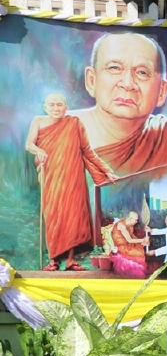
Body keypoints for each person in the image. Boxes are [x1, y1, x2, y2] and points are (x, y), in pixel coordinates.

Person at [74, 33, 167, 217]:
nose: (128, 84)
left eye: (142, 72)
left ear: (162, 91)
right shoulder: (58, 136)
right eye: (114, 68)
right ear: (91, 80)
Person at [25, 92, 116, 271]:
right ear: (45, 107)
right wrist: (38, 151)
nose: (55, 108)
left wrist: (107, 170)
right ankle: (54, 260)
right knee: (53, 217)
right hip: (50, 177)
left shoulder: (73, 124)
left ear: (66, 108)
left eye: (59, 105)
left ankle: (70, 260)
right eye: (51, 105)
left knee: (72, 217)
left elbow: (87, 151)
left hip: (73, 179)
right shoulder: (38, 121)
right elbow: (29, 144)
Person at [110, 210, 149, 278]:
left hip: (128, 244)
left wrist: (142, 242)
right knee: (138, 252)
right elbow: (130, 240)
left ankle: (136, 272)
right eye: (135, 220)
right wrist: (143, 240)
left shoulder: (130, 225)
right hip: (121, 246)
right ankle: (133, 272)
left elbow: (132, 236)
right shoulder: (122, 225)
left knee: (140, 247)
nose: (136, 222)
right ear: (130, 218)